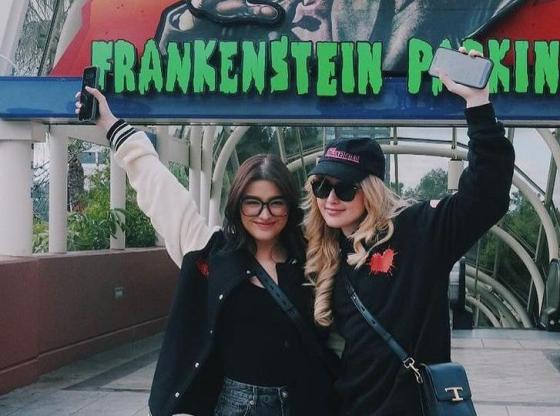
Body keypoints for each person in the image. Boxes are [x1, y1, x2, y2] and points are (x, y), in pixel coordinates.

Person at [74, 89, 337, 416]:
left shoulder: (313, 258)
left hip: (304, 402)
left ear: (289, 205)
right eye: (252, 202)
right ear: (237, 204)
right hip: (237, 406)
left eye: (276, 202)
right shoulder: (211, 250)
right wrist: (111, 124)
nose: (264, 214)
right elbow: (159, 188)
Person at [303, 48, 515, 415]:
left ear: (370, 191)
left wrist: (478, 104)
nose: (330, 199)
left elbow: (486, 195)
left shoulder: (417, 231)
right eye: (320, 186)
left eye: (345, 188)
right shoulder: (322, 252)